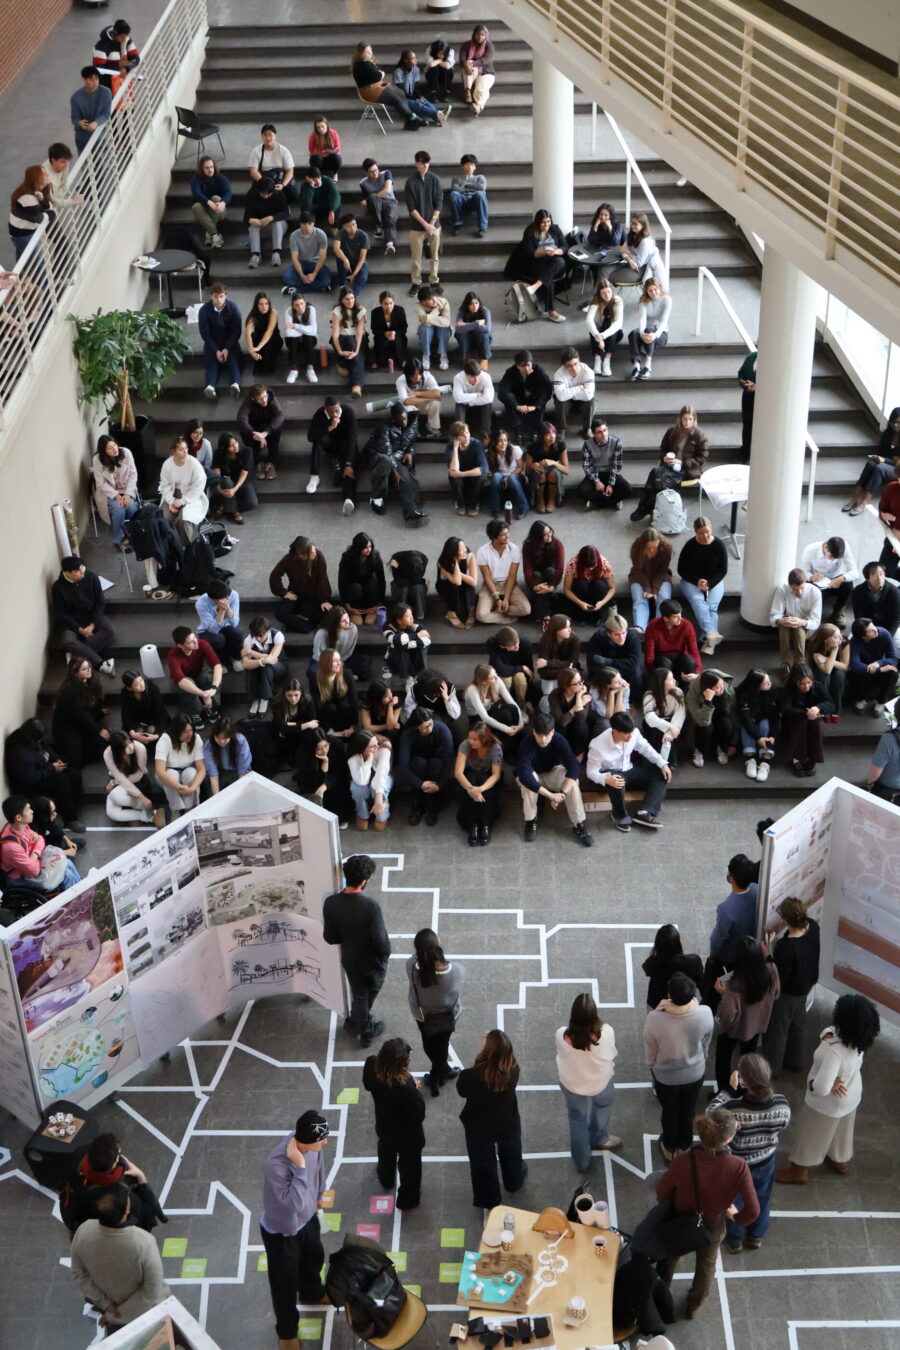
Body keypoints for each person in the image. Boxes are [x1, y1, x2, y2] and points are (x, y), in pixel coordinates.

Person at [655, 1109, 759, 1318]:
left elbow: (661, 1192)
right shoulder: (738, 1167)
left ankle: (660, 1295)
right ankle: (693, 1305)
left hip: (680, 1220)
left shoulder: (683, 1161)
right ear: (728, 1138)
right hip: (712, 1224)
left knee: (668, 1258)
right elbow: (753, 1211)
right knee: (706, 1266)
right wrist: (735, 1217)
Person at [776, 994, 880, 1185]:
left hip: (827, 1103)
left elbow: (822, 1087)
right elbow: (831, 1032)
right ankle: (839, 1159)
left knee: (811, 1135)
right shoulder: (859, 1040)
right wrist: (826, 1035)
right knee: (842, 1130)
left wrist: (811, 1083)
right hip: (851, 1093)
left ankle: (799, 1170)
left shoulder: (834, 1051)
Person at [259, 1110, 330, 1350]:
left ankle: (312, 1292)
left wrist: (319, 1195)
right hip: (283, 1232)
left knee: (314, 1258)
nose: (325, 1142)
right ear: (307, 1139)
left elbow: (319, 1168)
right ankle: (287, 1332)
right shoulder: (276, 1164)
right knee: (284, 1283)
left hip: (308, 1219)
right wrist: (299, 1167)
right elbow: (293, 1203)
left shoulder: (312, 1148)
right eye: (321, 1139)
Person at [709, 1053, 791, 1255]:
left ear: (745, 1083)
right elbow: (784, 1124)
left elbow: (711, 1113)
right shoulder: (781, 1104)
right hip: (766, 1161)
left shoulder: (734, 1108)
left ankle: (735, 1240)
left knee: (735, 1202)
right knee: (762, 1198)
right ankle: (755, 1236)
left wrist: (728, 1090)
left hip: (738, 1165)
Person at [70, 1183, 169, 1333]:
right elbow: (151, 1292)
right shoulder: (143, 1241)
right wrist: (114, 1316)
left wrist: (106, 1305)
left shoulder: (83, 1231)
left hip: (112, 1306)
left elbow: (79, 1274)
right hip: (148, 1313)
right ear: (127, 1209)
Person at [323, 853, 390, 1045]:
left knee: (360, 993)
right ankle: (365, 1029)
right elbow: (381, 941)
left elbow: (330, 937)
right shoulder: (371, 907)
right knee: (366, 995)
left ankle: (355, 1022)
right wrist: (385, 955)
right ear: (364, 881)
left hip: (350, 958)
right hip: (371, 962)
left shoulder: (331, 903)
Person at [457, 1030, 525, 1209]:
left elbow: (462, 1090)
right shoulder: (513, 1069)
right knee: (512, 1153)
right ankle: (514, 1181)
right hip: (507, 1121)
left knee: (482, 1162)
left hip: (479, 1125)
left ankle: (489, 1198)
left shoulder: (472, 1076)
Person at [556, 992, 621, 1171]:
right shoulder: (606, 1032)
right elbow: (612, 1052)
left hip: (572, 1084)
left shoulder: (562, 1035)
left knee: (577, 1119)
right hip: (600, 1082)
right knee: (603, 1106)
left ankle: (582, 1162)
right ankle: (598, 1137)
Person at [363, 1039, 425, 1209]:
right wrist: (415, 1086)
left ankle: (386, 1178)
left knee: (385, 1152)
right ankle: (408, 1199)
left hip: (384, 1126)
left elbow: (368, 1085)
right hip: (407, 1136)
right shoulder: (406, 1087)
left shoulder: (371, 1065)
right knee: (410, 1167)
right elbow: (419, 1113)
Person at [587, 711, 673, 831]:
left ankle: (644, 813)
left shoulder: (633, 732)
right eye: (627, 734)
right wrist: (606, 779)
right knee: (617, 779)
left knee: (661, 773)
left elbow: (645, 748)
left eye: (631, 733)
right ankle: (621, 817)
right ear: (615, 731)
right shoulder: (597, 745)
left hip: (629, 770)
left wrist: (662, 763)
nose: (631, 737)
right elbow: (590, 772)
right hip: (612, 775)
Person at [713, 937, 779, 1089]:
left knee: (723, 1058)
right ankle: (746, 1087)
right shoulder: (771, 971)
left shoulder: (734, 986)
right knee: (748, 1058)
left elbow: (727, 1015)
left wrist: (723, 994)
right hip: (756, 1027)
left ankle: (724, 1090)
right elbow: (776, 993)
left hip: (733, 1031)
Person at [764, 896, 820, 1074]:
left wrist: (767, 952)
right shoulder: (813, 927)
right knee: (798, 1025)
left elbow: (779, 974)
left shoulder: (787, 947)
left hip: (788, 994)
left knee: (778, 1031)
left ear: (786, 920)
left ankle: (772, 1069)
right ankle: (796, 1061)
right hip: (805, 987)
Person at [517, 713, 592, 846]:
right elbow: (524, 774)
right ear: (534, 732)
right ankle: (530, 820)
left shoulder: (559, 740)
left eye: (546, 735)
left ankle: (579, 824)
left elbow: (573, 765)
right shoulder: (527, 743)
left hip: (552, 772)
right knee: (526, 783)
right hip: (533, 774)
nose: (543, 739)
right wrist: (551, 796)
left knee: (573, 782)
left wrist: (562, 793)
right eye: (539, 735)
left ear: (552, 732)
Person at [407, 927, 464, 1092]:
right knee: (442, 1045)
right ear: (438, 947)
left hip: (423, 1016)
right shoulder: (456, 972)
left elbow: (415, 961)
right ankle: (437, 1075)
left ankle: (438, 1073)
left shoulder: (411, 966)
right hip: (447, 1016)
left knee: (430, 1044)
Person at [4, 718, 83, 829]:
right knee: (61, 781)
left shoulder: (32, 738)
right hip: (31, 784)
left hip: (44, 769)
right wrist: (51, 768)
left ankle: (72, 805)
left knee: (74, 774)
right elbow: (31, 777)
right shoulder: (19, 752)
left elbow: (46, 749)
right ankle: (69, 819)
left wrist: (56, 760)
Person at [0, 796, 81, 893]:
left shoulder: (21, 826)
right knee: (66, 873)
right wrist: (37, 853)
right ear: (18, 817)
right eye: (28, 809)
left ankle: (82, 888)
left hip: (30, 865)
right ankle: (78, 899)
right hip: (19, 879)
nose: (32, 811)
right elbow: (33, 871)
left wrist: (33, 856)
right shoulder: (11, 847)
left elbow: (40, 839)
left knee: (68, 862)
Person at [366, 405, 428, 528]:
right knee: (388, 464)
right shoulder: (383, 429)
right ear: (394, 419)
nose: (405, 422)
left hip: (397, 457)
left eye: (405, 418)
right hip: (378, 456)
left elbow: (411, 438)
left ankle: (413, 512)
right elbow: (386, 452)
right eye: (401, 420)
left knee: (408, 481)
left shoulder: (412, 421)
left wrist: (410, 451)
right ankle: (376, 497)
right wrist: (394, 471)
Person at [52, 557, 116, 674]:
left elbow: (100, 602)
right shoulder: (57, 587)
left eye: (83, 569)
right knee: (68, 641)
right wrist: (79, 629)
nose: (83, 573)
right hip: (72, 622)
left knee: (109, 631)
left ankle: (75, 655)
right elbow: (61, 613)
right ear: (69, 572)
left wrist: (92, 624)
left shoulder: (91, 577)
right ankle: (100, 663)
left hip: (92, 616)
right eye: (79, 571)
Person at [506, 209, 567, 323]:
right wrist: (544, 251)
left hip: (554, 260)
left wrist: (556, 251)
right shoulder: (529, 232)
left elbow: (565, 247)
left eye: (548, 221)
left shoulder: (555, 229)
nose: (546, 225)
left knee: (560, 262)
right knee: (548, 276)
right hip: (537, 262)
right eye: (543, 222)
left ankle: (535, 286)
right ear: (538, 222)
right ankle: (551, 311)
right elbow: (530, 254)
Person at [678, 517, 728, 655]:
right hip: (691, 581)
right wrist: (697, 581)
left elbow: (723, 570)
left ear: (711, 530)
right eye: (701, 533)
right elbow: (681, 569)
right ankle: (711, 633)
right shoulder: (690, 545)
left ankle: (707, 638)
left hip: (714, 580)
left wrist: (710, 583)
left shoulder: (719, 545)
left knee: (712, 607)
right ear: (695, 532)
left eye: (708, 532)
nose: (705, 536)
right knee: (698, 600)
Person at [397, 708, 455, 826]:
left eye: (430, 724)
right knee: (418, 763)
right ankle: (418, 802)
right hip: (418, 762)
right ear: (416, 727)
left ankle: (433, 803)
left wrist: (440, 785)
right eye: (424, 727)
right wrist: (420, 784)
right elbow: (403, 765)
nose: (429, 729)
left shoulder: (442, 729)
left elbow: (449, 759)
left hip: (436, 761)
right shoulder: (408, 734)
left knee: (436, 764)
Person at [52, 658, 110, 769]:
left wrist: (98, 712)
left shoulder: (90, 681)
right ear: (75, 673)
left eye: (89, 667)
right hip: (67, 727)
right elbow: (80, 715)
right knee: (75, 761)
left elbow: (92, 703)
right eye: (84, 669)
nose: (89, 671)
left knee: (102, 742)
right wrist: (99, 730)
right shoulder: (70, 691)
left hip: (78, 722)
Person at [269, 535, 333, 634]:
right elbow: (274, 576)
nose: (315, 553)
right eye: (311, 553)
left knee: (328, 611)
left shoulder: (319, 557)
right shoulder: (289, 559)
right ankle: (307, 625)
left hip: (315, 596)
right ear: (302, 555)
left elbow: (322, 580)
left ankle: (297, 624)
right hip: (296, 595)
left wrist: (324, 600)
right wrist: (283, 592)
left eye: (314, 550)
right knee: (280, 613)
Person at [708, 854, 759, 976]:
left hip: (730, 958)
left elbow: (718, 938)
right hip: (751, 951)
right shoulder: (757, 890)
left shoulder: (726, 909)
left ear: (731, 879)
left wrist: (712, 957)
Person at [454, 721, 504, 846]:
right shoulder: (465, 745)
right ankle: (472, 825)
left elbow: (496, 775)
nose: (471, 741)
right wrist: (471, 789)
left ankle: (485, 824)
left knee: (483, 782)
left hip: (487, 776)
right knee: (471, 778)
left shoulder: (495, 747)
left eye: (475, 739)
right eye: (470, 738)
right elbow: (458, 773)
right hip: (471, 776)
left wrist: (480, 789)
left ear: (484, 739)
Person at [842, 410, 900, 515]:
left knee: (880, 468)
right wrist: (878, 457)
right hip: (889, 464)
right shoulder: (887, 434)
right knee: (871, 464)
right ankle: (854, 498)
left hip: (897, 470)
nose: (896, 425)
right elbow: (882, 452)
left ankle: (863, 503)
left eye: (899, 423)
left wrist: (885, 460)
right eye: (894, 422)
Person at [780, 661, 833, 777]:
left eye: (809, 682)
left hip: (814, 718)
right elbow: (785, 709)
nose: (807, 687)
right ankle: (797, 758)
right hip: (795, 719)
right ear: (795, 681)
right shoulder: (788, 688)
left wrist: (818, 708)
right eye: (802, 684)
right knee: (800, 725)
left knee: (817, 725)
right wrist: (806, 713)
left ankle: (812, 757)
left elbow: (830, 703)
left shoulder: (818, 686)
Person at [103, 731, 164, 825]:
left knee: (116, 797)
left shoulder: (140, 748)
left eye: (130, 742)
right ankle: (151, 815)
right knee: (111, 813)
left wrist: (114, 782)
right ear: (117, 750)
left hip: (138, 782)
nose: (130, 747)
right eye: (125, 746)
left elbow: (138, 776)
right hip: (119, 781)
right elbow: (120, 777)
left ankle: (145, 808)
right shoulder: (108, 754)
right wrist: (116, 781)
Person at [475, 520, 530, 623]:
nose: (507, 536)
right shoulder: (482, 551)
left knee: (526, 609)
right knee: (480, 616)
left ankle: (497, 612)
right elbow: (487, 577)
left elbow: (512, 576)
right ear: (493, 537)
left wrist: (505, 599)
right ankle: (506, 618)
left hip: (509, 583)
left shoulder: (514, 549)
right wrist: (497, 599)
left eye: (507, 533)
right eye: (503, 535)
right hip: (491, 584)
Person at [770, 568, 823, 673]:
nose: (799, 592)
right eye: (795, 589)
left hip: (807, 626)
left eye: (802, 588)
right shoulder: (782, 590)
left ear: (806, 582)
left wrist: (802, 622)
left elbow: (815, 623)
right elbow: (774, 616)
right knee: (784, 626)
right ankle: (785, 664)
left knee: (798, 629)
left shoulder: (815, 592)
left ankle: (799, 663)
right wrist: (780, 621)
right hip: (788, 624)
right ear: (790, 585)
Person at [306, 395, 358, 499]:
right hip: (329, 443)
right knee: (318, 440)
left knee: (347, 470)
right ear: (325, 409)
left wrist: (348, 464)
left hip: (344, 444)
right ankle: (314, 476)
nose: (334, 414)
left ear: (340, 407)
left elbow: (352, 438)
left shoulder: (348, 412)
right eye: (331, 412)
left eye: (337, 411)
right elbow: (310, 437)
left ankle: (348, 498)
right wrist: (330, 427)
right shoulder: (320, 413)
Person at [405, 151, 443, 294]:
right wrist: (425, 225)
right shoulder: (410, 183)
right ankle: (416, 282)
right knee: (416, 257)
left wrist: (431, 224)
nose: (426, 165)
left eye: (427, 162)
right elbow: (411, 208)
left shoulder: (435, 180)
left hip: (434, 226)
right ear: (416, 164)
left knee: (435, 256)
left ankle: (434, 281)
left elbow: (439, 203)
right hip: (417, 227)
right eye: (422, 162)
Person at [799, 535, 859, 626]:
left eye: (836, 558)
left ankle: (837, 612)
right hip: (818, 580)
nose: (833, 560)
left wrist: (841, 578)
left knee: (848, 584)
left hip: (836, 578)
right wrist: (811, 577)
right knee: (814, 593)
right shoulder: (810, 550)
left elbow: (855, 572)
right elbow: (804, 571)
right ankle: (813, 615)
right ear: (825, 546)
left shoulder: (844, 547)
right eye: (831, 556)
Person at [153, 714, 206, 815]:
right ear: (177, 731)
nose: (190, 734)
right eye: (186, 731)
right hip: (168, 771)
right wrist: (180, 788)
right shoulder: (165, 740)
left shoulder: (196, 738)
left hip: (187, 769)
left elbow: (201, 769)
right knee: (170, 776)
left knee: (191, 773)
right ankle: (176, 810)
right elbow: (160, 771)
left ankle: (189, 809)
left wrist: (191, 788)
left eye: (191, 730)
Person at [167, 627, 223, 719]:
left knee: (208, 676)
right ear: (180, 645)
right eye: (190, 642)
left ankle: (212, 707)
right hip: (183, 679)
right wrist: (204, 695)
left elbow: (217, 665)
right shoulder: (173, 656)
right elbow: (181, 681)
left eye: (194, 638)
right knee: (187, 686)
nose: (196, 642)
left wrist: (213, 688)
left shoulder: (202, 643)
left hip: (198, 673)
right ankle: (194, 711)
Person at [497, 350, 553, 442]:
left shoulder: (538, 370)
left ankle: (535, 430)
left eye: (529, 365)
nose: (527, 368)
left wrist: (535, 406)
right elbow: (502, 392)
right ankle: (517, 430)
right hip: (518, 399)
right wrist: (516, 405)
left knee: (541, 399)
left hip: (533, 400)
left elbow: (546, 390)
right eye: (523, 366)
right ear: (517, 366)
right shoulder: (511, 372)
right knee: (509, 399)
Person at [642, 926, 703, 1011]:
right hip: (685, 1005)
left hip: (657, 1004)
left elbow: (647, 970)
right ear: (678, 943)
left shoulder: (653, 963)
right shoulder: (694, 962)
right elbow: (700, 982)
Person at [686, 669, 737, 769]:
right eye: (717, 688)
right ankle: (699, 749)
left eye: (722, 684)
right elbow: (702, 721)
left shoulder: (727, 688)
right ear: (707, 689)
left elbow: (733, 713)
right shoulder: (693, 692)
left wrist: (733, 743)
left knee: (727, 724)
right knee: (706, 727)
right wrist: (708, 701)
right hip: (701, 719)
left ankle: (721, 747)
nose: (722, 689)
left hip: (720, 715)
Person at [199, 282, 242, 400]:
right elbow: (205, 334)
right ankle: (210, 387)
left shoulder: (233, 308)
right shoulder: (204, 310)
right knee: (211, 364)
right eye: (215, 296)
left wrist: (227, 349)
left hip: (230, 342)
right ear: (211, 296)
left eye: (221, 296)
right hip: (212, 343)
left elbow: (236, 332)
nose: (218, 299)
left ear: (226, 296)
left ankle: (235, 385)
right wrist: (216, 350)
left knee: (233, 362)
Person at [578, 416, 631, 510]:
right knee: (582, 490)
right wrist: (596, 481)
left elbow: (616, 465)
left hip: (610, 472)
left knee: (627, 489)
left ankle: (596, 503)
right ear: (593, 433)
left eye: (605, 430)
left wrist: (610, 484)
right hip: (595, 472)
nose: (604, 434)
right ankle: (613, 501)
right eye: (599, 432)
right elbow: (587, 466)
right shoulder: (587, 444)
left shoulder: (616, 442)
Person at [735, 669, 778, 781]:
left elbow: (775, 717)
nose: (770, 684)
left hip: (764, 720)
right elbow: (745, 718)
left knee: (765, 724)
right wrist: (758, 738)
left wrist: (773, 736)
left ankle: (765, 761)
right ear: (756, 685)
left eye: (769, 680)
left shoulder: (772, 692)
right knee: (747, 725)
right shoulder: (742, 693)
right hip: (750, 721)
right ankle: (750, 758)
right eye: (766, 683)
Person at [644, 599, 702, 684]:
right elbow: (649, 655)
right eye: (675, 617)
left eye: (680, 615)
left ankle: (686, 691)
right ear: (666, 618)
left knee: (689, 661)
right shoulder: (653, 626)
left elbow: (694, 651)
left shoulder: (686, 625)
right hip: (662, 658)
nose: (680, 619)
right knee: (664, 664)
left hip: (680, 656)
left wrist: (697, 673)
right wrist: (653, 673)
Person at [848, 618, 898, 714]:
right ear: (863, 637)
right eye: (871, 631)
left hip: (878, 666)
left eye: (873, 626)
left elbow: (893, 658)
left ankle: (881, 702)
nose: (875, 630)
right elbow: (855, 664)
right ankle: (859, 699)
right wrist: (879, 669)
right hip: (865, 670)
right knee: (853, 673)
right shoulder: (855, 641)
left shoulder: (884, 633)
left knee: (893, 673)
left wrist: (878, 663)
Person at [242, 617, 287, 718]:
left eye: (261, 635)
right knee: (251, 668)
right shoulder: (248, 639)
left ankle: (264, 698)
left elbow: (272, 658)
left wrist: (250, 652)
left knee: (266, 666)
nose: (257, 638)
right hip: (260, 667)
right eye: (255, 635)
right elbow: (245, 664)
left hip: (278, 666)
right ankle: (255, 699)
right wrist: (262, 660)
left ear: (268, 631)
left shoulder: (277, 635)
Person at [629, 528, 674, 631]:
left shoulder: (666, 548)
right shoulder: (636, 547)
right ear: (643, 544)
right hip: (639, 576)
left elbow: (662, 571)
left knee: (664, 597)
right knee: (639, 599)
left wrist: (654, 589)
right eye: (648, 547)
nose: (652, 550)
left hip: (661, 576)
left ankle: (660, 628)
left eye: (655, 547)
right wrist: (647, 588)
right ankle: (640, 628)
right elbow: (638, 570)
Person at [347, 730, 392, 831]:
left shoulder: (384, 746)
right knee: (356, 789)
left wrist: (378, 800)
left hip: (383, 775)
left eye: (376, 742)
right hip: (363, 777)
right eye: (372, 746)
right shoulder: (353, 756)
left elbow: (382, 773)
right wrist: (369, 759)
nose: (377, 747)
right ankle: (362, 814)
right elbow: (361, 781)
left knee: (382, 789)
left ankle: (382, 815)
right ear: (362, 749)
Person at [311, 605, 370, 682]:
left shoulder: (352, 629)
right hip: (325, 663)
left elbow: (349, 650)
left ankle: (337, 676)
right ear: (335, 623)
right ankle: (343, 676)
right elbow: (318, 655)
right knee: (312, 672)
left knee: (365, 660)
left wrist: (340, 662)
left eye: (347, 618)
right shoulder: (322, 633)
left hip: (342, 660)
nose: (347, 622)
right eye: (343, 621)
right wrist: (333, 665)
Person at [628, 277, 671, 380]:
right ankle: (637, 366)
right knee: (633, 333)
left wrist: (655, 335)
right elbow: (642, 319)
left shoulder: (666, 300)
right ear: (647, 292)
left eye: (655, 289)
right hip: (646, 332)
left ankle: (647, 366)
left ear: (659, 288)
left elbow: (663, 321)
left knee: (650, 331)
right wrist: (642, 334)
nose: (653, 293)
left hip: (660, 334)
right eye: (650, 291)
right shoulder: (644, 302)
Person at [8, 164, 54, 260]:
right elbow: (40, 219)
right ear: (37, 178)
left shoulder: (38, 192)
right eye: (44, 174)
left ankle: (21, 275)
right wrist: (52, 213)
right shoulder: (28, 198)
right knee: (40, 265)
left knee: (24, 263)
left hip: (25, 231)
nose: (48, 175)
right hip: (22, 235)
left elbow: (49, 206)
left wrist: (45, 202)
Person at [589, 612, 645, 690]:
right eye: (617, 634)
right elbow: (593, 663)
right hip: (607, 671)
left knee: (636, 674)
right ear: (608, 633)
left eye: (623, 633)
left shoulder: (633, 637)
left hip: (625, 669)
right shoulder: (598, 638)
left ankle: (633, 701)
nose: (621, 638)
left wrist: (608, 661)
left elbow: (634, 662)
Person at [338, 532, 386, 624]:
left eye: (370, 546)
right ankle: (356, 610)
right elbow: (342, 581)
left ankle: (371, 608)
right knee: (355, 588)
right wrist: (348, 607)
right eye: (365, 548)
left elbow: (381, 579)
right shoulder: (347, 557)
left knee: (373, 584)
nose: (369, 550)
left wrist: (379, 604)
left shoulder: (375, 555)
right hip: (353, 584)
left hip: (369, 581)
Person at [640, 668, 686, 764]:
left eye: (673, 678)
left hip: (671, 720)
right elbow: (650, 718)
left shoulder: (678, 692)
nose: (674, 681)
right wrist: (669, 727)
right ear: (661, 682)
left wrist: (670, 731)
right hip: (653, 723)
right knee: (658, 734)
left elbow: (680, 713)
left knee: (668, 737)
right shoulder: (649, 695)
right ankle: (659, 762)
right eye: (670, 679)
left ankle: (668, 762)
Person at [281, 212, 333, 295]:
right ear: (300, 224)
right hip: (301, 262)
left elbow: (322, 258)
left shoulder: (321, 235)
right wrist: (302, 276)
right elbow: (294, 258)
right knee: (287, 277)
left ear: (314, 223)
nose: (307, 227)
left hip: (316, 262)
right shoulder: (294, 236)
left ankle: (295, 290)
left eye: (310, 224)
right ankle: (319, 287)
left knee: (327, 280)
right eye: (304, 224)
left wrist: (314, 274)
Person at [195, 579, 244, 667]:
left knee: (237, 634)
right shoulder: (201, 603)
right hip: (207, 630)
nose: (227, 599)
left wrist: (228, 608)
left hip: (227, 626)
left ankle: (235, 657)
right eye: (224, 598)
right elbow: (213, 629)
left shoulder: (233, 595)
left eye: (227, 596)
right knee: (218, 640)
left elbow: (235, 623)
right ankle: (219, 662)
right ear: (214, 600)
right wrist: (221, 611)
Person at [244, 175, 289, 270]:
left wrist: (271, 217)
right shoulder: (253, 196)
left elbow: (286, 213)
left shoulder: (279, 195)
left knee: (276, 224)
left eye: (268, 193)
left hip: (278, 225)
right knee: (252, 227)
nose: (265, 196)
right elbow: (246, 217)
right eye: (262, 193)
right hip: (261, 227)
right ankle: (256, 255)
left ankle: (276, 253)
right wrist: (251, 220)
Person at [603, 212, 660, 286]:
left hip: (638, 270)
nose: (632, 226)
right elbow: (623, 250)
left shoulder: (645, 241)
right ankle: (602, 296)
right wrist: (628, 257)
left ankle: (610, 296)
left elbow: (638, 263)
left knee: (607, 277)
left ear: (643, 225)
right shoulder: (632, 234)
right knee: (603, 271)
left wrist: (627, 254)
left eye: (635, 224)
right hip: (627, 263)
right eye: (632, 223)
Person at [521, 520, 563, 620]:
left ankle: (543, 615)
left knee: (550, 571)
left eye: (550, 532)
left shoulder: (557, 544)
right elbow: (527, 569)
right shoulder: (528, 545)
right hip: (536, 577)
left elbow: (559, 568)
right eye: (545, 534)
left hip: (551, 575)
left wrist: (552, 587)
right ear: (537, 536)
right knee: (536, 575)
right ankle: (546, 616)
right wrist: (534, 586)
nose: (549, 536)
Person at [210, 431, 256, 522]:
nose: (235, 446)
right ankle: (235, 512)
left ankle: (224, 507)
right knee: (226, 481)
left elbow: (244, 472)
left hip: (242, 481)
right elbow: (217, 474)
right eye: (231, 446)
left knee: (252, 503)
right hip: (226, 481)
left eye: (235, 442)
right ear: (225, 448)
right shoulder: (219, 454)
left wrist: (235, 489)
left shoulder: (247, 451)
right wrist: (219, 489)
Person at [330, 286, 367, 399]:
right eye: (347, 299)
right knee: (349, 341)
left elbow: (359, 333)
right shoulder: (337, 311)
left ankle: (356, 387)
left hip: (358, 340)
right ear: (341, 300)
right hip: (342, 340)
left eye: (352, 298)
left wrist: (356, 351)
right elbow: (335, 335)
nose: (350, 301)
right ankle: (356, 386)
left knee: (353, 351)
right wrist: (340, 351)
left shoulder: (361, 310)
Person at [447, 421, 489, 518]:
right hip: (460, 478)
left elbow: (484, 468)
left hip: (472, 476)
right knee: (453, 476)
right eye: (462, 435)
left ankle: (474, 504)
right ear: (455, 438)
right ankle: (460, 503)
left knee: (480, 476)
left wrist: (461, 474)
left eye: (467, 432)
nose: (466, 436)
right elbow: (453, 470)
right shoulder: (450, 447)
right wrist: (455, 449)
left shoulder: (477, 444)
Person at [312, 650, 359, 737]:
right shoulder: (315, 678)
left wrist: (353, 727)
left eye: (339, 660)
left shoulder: (347, 673)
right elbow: (318, 706)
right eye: (334, 660)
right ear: (326, 663)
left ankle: (346, 732)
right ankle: (331, 733)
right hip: (328, 718)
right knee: (330, 707)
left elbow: (354, 701)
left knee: (344, 705)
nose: (339, 663)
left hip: (344, 717)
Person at [488, 625, 537, 709]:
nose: (517, 647)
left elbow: (530, 673)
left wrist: (529, 699)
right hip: (503, 672)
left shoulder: (525, 643)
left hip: (516, 671)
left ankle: (521, 703)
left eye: (517, 643)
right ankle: (506, 704)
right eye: (512, 646)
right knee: (506, 680)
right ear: (502, 646)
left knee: (520, 678)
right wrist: (522, 668)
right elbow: (501, 669)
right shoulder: (492, 643)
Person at [525, 421, 569, 514]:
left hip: (554, 472)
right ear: (541, 436)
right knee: (541, 475)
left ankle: (552, 499)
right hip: (538, 475)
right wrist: (533, 466)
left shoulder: (560, 444)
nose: (552, 436)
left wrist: (554, 463)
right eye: (548, 434)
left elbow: (566, 470)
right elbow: (527, 472)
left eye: (553, 433)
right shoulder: (533, 447)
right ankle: (539, 499)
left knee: (553, 473)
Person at [553, 347, 596, 439]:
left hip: (582, 402)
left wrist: (568, 394)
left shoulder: (588, 371)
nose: (574, 368)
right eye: (569, 365)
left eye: (576, 364)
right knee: (558, 399)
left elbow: (588, 395)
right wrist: (579, 387)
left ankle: (587, 428)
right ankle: (562, 428)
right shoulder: (559, 374)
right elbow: (561, 396)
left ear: (579, 360)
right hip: (566, 403)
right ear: (564, 365)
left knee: (591, 400)